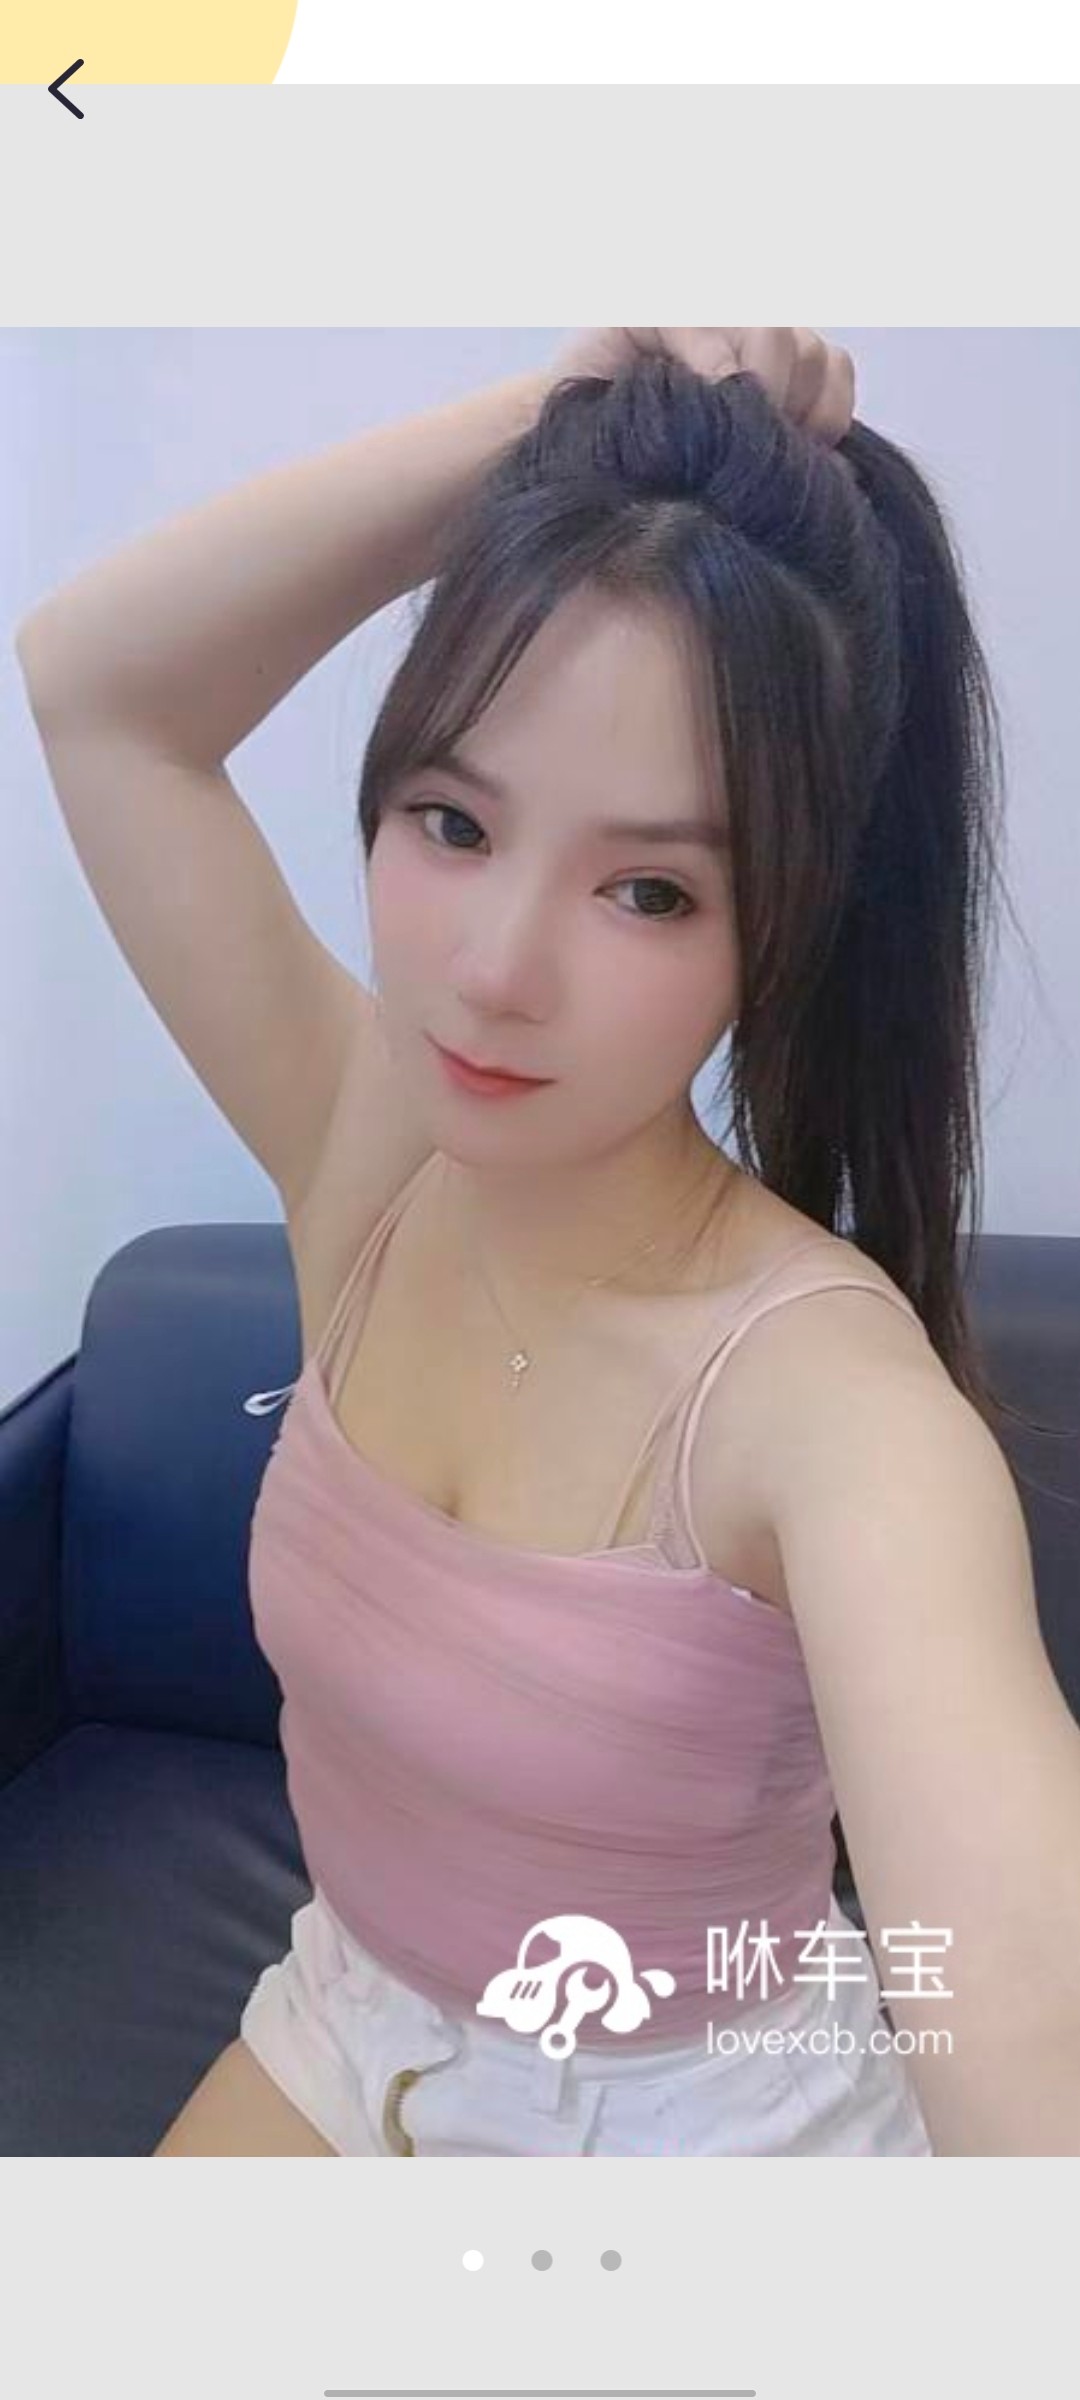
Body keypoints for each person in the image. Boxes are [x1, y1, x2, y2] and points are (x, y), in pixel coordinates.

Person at [17, 330, 1080, 2158]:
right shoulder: (370, 1150)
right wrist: (561, 420)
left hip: (697, 2128)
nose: (496, 970)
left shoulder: (835, 1412)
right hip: (354, 2008)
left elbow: (1028, 2026)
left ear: (782, 930)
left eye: (648, 889)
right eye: (453, 820)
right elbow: (96, 682)